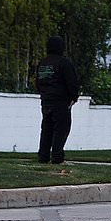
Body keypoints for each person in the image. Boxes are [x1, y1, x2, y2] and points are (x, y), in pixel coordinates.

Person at [34, 36, 80, 165]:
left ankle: (43, 156)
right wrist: (73, 97)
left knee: (46, 129)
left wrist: (44, 94)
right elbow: (72, 82)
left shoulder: (42, 63)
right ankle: (57, 157)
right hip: (61, 101)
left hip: (46, 100)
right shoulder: (63, 63)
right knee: (61, 129)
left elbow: (38, 82)